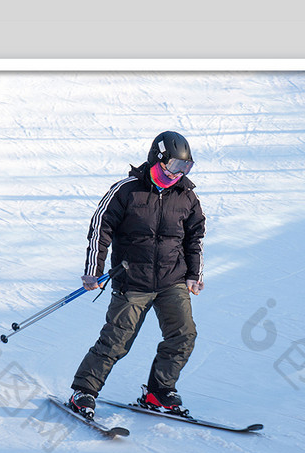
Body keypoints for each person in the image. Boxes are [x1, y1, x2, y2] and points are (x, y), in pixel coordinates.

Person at [67, 132, 206, 420]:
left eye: (186, 168)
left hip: (172, 280)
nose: (180, 174)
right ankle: (84, 392)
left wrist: (194, 274)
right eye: (175, 166)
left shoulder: (186, 197)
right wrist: (94, 270)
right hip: (133, 281)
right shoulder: (126, 191)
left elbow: (195, 237)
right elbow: (100, 230)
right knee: (116, 341)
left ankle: (159, 391)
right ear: (157, 160)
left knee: (184, 335)